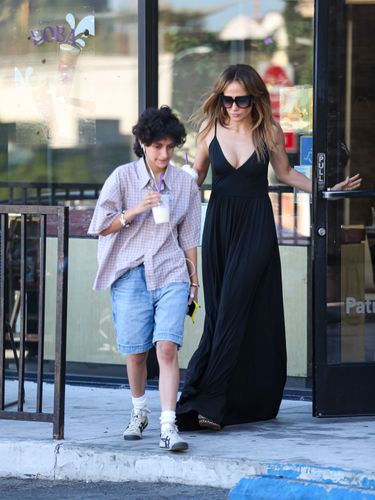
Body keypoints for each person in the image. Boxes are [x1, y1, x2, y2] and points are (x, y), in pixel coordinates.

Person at [176, 63, 361, 431]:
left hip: (256, 228)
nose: (233, 107)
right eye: (227, 99)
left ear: (255, 98)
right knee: (218, 314)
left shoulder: (268, 131)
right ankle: (215, 399)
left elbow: (287, 175)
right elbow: (195, 177)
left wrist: (327, 191)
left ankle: (209, 403)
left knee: (232, 308)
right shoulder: (209, 128)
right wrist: (168, 209)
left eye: (240, 100)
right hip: (218, 228)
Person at [88, 106, 201, 451]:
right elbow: (100, 227)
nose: (164, 154)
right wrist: (136, 209)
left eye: (170, 146)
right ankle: (140, 411)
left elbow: (190, 237)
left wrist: (195, 285)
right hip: (131, 273)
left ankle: (170, 427)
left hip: (171, 271)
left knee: (166, 347)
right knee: (137, 353)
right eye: (157, 147)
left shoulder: (184, 184)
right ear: (142, 144)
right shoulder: (122, 178)